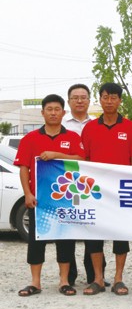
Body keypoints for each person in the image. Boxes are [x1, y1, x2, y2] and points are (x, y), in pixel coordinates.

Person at [14, 94, 85, 297]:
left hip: (65, 199)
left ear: (63, 113)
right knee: (36, 241)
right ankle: (35, 283)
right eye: (49, 109)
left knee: (65, 241)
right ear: (43, 112)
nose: (53, 113)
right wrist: (27, 194)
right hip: (39, 200)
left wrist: (57, 155)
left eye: (57, 109)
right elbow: (24, 168)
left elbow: (81, 160)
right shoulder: (30, 139)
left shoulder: (72, 137)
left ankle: (64, 282)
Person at [81, 83, 132, 296]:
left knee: (120, 235)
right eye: (106, 97)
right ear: (100, 99)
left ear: (120, 100)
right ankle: (98, 279)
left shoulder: (130, 127)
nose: (109, 101)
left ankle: (118, 278)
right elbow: (84, 159)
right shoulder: (90, 128)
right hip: (95, 192)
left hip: (121, 192)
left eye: (114, 97)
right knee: (94, 236)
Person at [62, 84, 104, 288]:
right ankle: (68, 276)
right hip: (66, 184)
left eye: (83, 97)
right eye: (75, 97)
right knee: (68, 229)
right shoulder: (60, 124)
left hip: (91, 184)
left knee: (93, 228)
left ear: (89, 100)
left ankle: (95, 275)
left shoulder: (97, 124)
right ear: (69, 101)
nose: (79, 101)